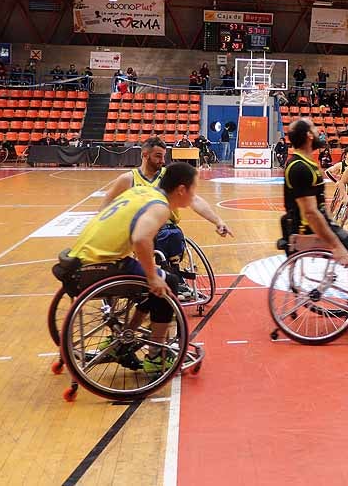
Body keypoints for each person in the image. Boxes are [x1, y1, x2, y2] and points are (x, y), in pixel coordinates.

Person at [58, 162, 201, 373]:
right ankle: (155, 356)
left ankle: (124, 338)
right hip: (100, 267)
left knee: (152, 280)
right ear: (181, 189)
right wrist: (153, 277)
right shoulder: (160, 206)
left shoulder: (142, 191)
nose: (194, 194)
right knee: (167, 281)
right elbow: (141, 238)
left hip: (79, 260)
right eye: (194, 188)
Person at [282, 119, 348, 312]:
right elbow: (311, 213)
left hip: (318, 228)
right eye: (315, 129)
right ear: (309, 136)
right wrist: (335, 244)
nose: (320, 133)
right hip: (310, 232)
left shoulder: (305, 164)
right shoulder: (300, 167)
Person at [99, 139, 233, 289]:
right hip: (140, 230)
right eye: (158, 156)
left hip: (167, 228)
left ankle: (173, 274)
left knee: (171, 233)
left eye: (164, 156)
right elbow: (106, 203)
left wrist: (218, 221)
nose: (162, 161)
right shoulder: (128, 179)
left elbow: (194, 199)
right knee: (162, 235)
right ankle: (165, 276)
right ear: (145, 155)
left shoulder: (169, 176)